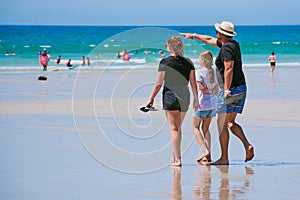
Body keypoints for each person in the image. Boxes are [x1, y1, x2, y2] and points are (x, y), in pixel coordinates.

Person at [182, 21, 254, 165]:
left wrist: (226, 89)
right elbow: (209, 40)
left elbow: (229, 68)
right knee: (230, 122)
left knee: (222, 124)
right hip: (241, 87)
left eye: (217, 32)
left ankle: (224, 158)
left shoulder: (226, 49)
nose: (216, 34)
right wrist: (194, 36)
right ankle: (247, 145)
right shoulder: (233, 44)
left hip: (230, 89)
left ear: (221, 33)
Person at [145, 36, 199, 167]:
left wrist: (151, 98)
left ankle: (178, 159)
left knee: (173, 129)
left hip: (170, 96)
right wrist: (196, 99)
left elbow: (159, 83)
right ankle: (175, 157)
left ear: (170, 47)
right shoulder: (188, 62)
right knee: (178, 128)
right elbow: (193, 83)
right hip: (185, 96)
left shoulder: (165, 62)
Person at [192, 50, 218, 164]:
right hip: (212, 104)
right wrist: (212, 92)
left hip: (202, 104)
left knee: (195, 127)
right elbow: (216, 89)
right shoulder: (216, 72)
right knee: (206, 129)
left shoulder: (199, 72)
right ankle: (208, 156)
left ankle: (204, 150)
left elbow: (202, 89)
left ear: (202, 60)